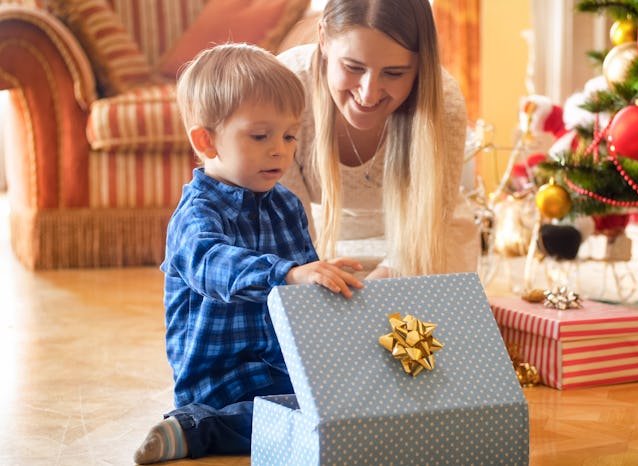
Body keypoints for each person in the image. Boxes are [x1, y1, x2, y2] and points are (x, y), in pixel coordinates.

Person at [132, 42, 363, 464]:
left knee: (342, 405)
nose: (280, 149)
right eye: (260, 136)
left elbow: (303, 291)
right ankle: (194, 430)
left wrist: (326, 286)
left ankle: (254, 421)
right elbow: (212, 265)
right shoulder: (196, 214)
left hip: (280, 368)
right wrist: (289, 274)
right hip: (216, 381)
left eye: (290, 135)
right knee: (280, 418)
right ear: (207, 140)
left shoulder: (287, 205)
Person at [277, 0, 479, 279]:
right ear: (323, 39)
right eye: (353, 67)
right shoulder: (283, 91)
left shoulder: (444, 103)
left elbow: (422, 232)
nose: (369, 94)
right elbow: (291, 235)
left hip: (425, 239)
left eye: (394, 73)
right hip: (325, 238)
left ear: (420, 64)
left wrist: (379, 288)